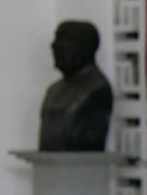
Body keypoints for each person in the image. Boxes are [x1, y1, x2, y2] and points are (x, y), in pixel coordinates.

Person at [39, 19, 113, 151]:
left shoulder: (98, 90)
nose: (54, 46)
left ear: (85, 48)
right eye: (57, 39)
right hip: (49, 164)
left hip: (79, 164)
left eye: (64, 40)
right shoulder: (53, 90)